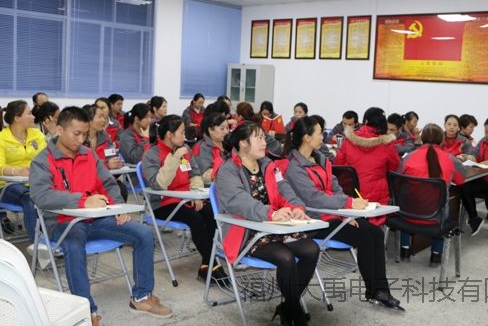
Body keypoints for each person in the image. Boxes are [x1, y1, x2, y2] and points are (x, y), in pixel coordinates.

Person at [29, 107, 172, 325]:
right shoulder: (43, 160)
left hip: (96, 219)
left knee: (143, 233)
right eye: (76, 134)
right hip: (63, 222)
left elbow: (108, 184)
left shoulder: (88, 155)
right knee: (74, 246)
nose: (81, 139)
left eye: (84, 134)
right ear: (60, 129)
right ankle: (86, 312)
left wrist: (118, 208)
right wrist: (82, 201)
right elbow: (41, 196)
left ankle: (142, 297)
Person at [284, 116, 404, 311]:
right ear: (307, 137)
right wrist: (348, 204)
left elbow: (335, 187)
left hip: (334, 214)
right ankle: (375, 291)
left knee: (376, 233)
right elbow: (314, 199)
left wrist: (346, 214)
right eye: (319, 133)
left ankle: (380, 290)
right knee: (365, 239)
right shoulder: (294, 168)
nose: (323, 137)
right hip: (316, 220)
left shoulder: (320, 158)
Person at [214, 121, 319, 325]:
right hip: (246, 231)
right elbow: (239, 202)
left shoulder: (268, 164)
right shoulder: (227, 170)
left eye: (264, 138)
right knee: (286, 257)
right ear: (243, 143)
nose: (265, 143)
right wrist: (271, 213)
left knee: (311, 250)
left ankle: (288, 306)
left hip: (273, 226)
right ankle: (296, 313)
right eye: (259, 139)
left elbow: (284, 189)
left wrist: (297, 207)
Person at [142, 115, 227, 284]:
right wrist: (174, 158)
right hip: (164, 203)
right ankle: (212, 264)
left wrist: (196, 194)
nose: (185, 136)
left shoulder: (185, 149)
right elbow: (159, 184)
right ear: (169, 134)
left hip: (186, 198)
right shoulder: (151, 154)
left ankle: (207, 265)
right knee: (196, 220)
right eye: (181, 132)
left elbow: (195, 174)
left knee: (212, 213)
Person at [397, 124, 466, 267]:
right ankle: (435, 257)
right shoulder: (449, 158)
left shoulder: (410, 156)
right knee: (444, 209)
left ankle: (405, 252)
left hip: (408, 214)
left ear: (422, 139)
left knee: (407, 202)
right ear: (441, 140)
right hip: (436, 217)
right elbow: (460, 180)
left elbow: (397, 180)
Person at [0, 100, 47, 242]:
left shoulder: (37, 135)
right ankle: (38, 245)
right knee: (29, 198)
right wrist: (17, 171)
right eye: (29, 113)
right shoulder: (0, 138)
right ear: (17, 118)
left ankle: (54, 238)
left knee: (54, 195)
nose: (33, 117)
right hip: (8, 186)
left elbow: (47, 158)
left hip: (35, 183)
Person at [334, 107, 400, 226]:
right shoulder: (387, 144)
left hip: (351, 195)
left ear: (365, 121)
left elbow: (338, 165)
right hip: (376, 199)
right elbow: (394, 170)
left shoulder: (349, 140)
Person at [82, 105, 128, 202]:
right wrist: (107, 164)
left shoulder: (106, 137)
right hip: (85, 180)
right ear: (89, 120)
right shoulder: (80, 139)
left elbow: (112, 157)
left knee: (121, 189)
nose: (104, 120)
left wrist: (116, 163)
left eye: (104, 117)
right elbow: (84, 163)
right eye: (100, 117)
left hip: (104, 178)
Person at [192, 112, 229, 183]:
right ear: (210, 130)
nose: (226, 131)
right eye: (222, 128)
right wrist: (228, 172)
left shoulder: (227, 143)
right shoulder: (201, 148)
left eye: (227, 128)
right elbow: (204, 175)